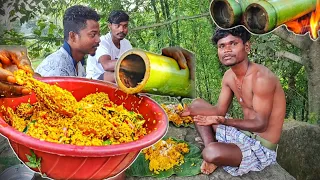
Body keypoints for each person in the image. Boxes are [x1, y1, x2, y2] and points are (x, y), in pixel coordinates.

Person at [181, 26, 286, 176]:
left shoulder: (262, 79)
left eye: (233, 44)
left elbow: (260, 125)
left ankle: (214, 153)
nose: (227, 50)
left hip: (260, 146)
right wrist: (191, 111)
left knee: (210, 152)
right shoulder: (229, 76)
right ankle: (216, 154)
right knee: (197, 104)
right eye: (222, 46)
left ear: (247, 47)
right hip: (241, 133)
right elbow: (219, 111)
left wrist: (223, 121)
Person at [35, 5, 101, 77]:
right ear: (73, 36)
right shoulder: (57, 70)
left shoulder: (78, 63)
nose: (98, 40)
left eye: (98, 34)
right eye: (93, 35)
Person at [86, 10, 132, 82]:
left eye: (125, 26)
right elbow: (106, 65)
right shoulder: (102, 41)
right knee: (122, 75)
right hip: (95, 80)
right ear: (110, 26)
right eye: (117, 26)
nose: (122, 30)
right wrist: (133, 64)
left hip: (114, 81)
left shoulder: (127, 44)